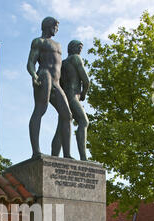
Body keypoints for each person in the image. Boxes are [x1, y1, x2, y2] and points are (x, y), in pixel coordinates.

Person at [27, 17, 72, 159]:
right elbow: (30, 62)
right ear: (48, 25)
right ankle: (36, 151)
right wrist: (34, 75)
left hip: (57, 82)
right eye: (55, 26)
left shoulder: (58, 45)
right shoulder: (38, 42)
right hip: (44, 76)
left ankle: (67, 154)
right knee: (40, 109)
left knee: (67, 115)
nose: (56, 29)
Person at [52, 40, 90, 160]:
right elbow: (86, 80)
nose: (80, 50)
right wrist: (83, 93)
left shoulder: (62, 63)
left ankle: (54, 157)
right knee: (84, 121)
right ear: (72, 48)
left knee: (61, 127)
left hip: (64, 96)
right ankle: (83, 157)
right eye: (79, 47)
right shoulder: (76, 58)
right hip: (73, 95)